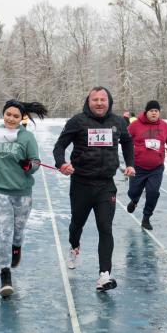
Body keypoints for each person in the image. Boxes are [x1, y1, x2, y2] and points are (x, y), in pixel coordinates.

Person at [53, 86, 135, 291]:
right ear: (88, 102)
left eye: (103, 99)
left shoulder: (118, 122)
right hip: (81, 183)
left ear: (109, 101)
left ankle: (104, 275)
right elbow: (59, 146)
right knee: (76, 224)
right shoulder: (77, 121)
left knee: (105, 228)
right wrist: (61, 163)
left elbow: (127, 143)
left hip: (106, 185)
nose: (99, 103)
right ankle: (74, 246)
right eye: (95, 100)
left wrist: (130, 163)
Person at [0, 100, 48, 297]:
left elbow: (36, 162)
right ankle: (5, 274)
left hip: (22, 192)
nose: (11, 118)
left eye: (16, 116)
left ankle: (17, 248)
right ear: (3, 113)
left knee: (17, 231)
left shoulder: (27, 138)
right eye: (8, 114)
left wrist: (29, 165)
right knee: (3, 233)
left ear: (21, 118)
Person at [126, 100, 167, 230]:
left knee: (153, 192)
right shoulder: (135, 125)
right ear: (146, 112)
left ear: (159, 113)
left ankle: (146, 217)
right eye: (151, 111)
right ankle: (134, 200)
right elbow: (125, 139)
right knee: (133, 191)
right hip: (138, 166)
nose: (154, 113)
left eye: (156, 111)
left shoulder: (165, 126)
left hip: (156, 168)